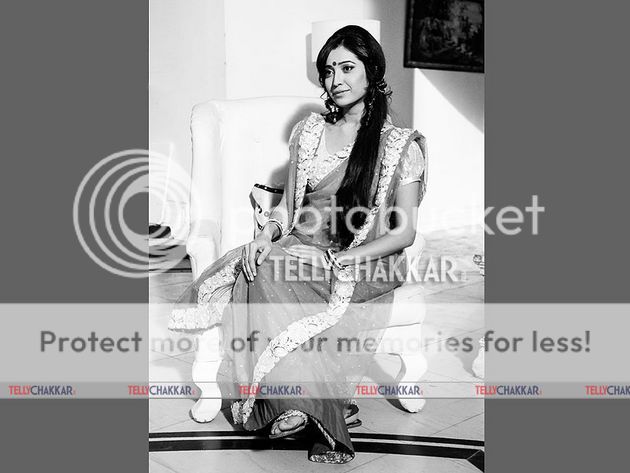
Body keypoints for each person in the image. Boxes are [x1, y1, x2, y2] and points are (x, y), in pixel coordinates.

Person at [169, 25, 427, 464]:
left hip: (362, 259)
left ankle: (303, 404)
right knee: (260, 262)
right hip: (301, 243)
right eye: (328, 71)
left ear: (372, 71)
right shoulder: (309, 133)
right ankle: (300, 403)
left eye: (347, 68)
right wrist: (264, 236)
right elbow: (289, 207)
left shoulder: (400, 146)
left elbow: (403, 233)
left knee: (276, 269)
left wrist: (335, 257)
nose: (336, 80)